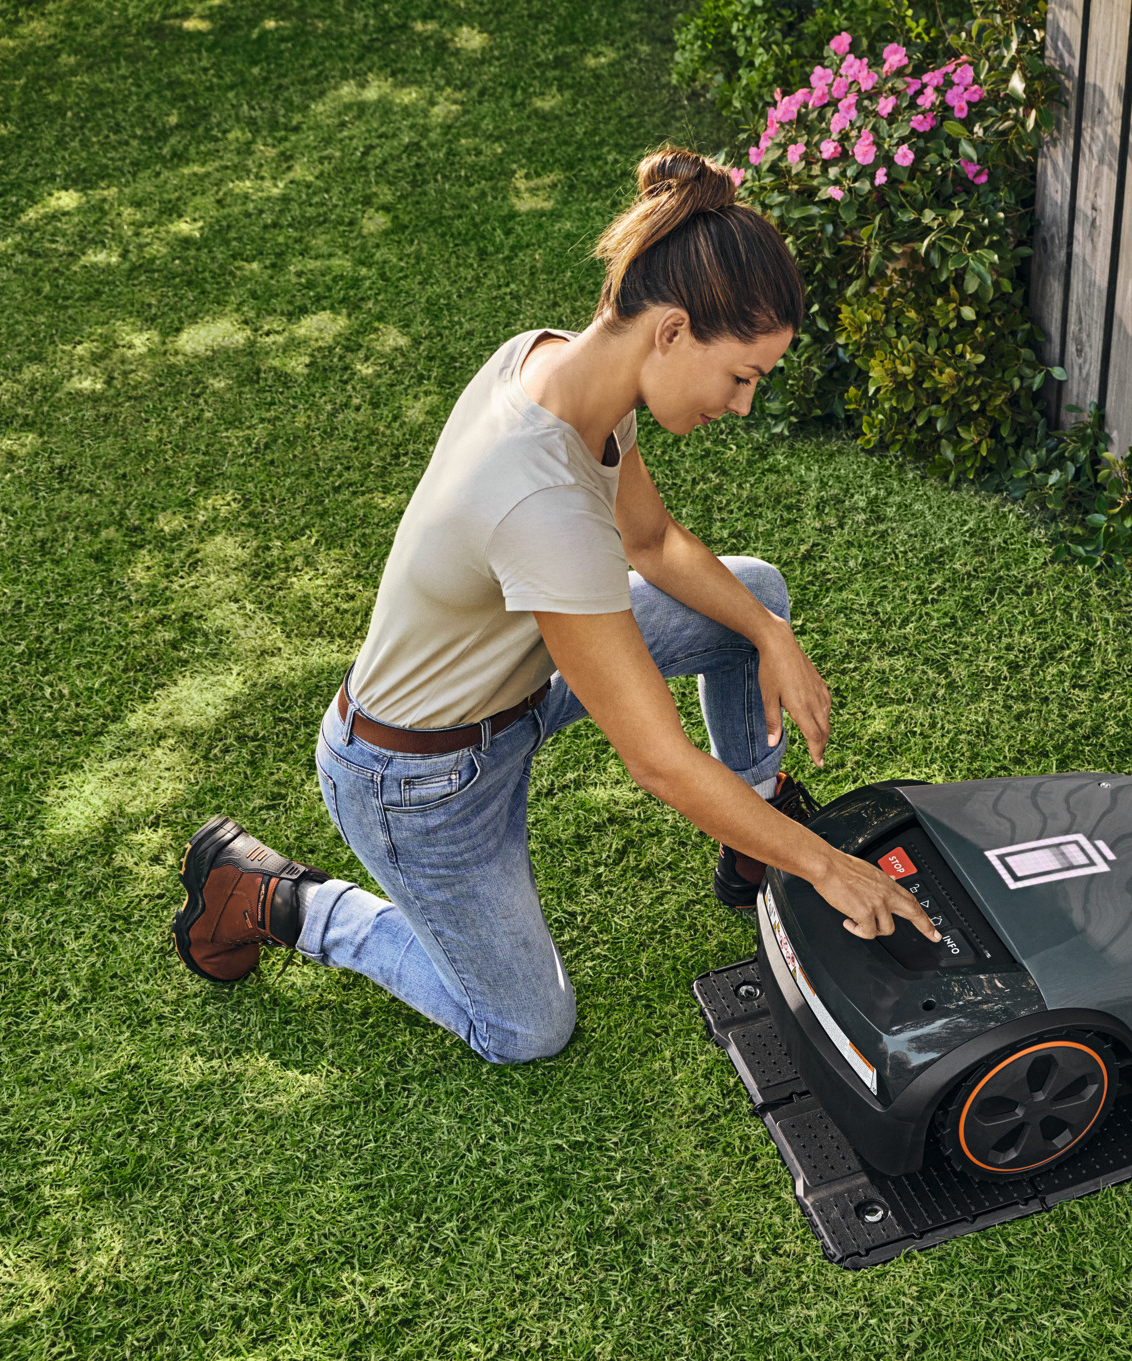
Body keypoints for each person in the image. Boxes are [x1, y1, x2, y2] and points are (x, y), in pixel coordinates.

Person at [170, 147, 938, 1064]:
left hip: (527, 684)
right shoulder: (542, 503)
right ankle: (266, 896)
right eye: (743, 375)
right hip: (418, 780)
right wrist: (829, 865)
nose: (742, 405)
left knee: (752, 597)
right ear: (673, 332)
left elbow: (652, 543)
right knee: (526, 1030)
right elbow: (656, 759)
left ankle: (755, 840)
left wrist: (770, 632)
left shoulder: (567, 368)